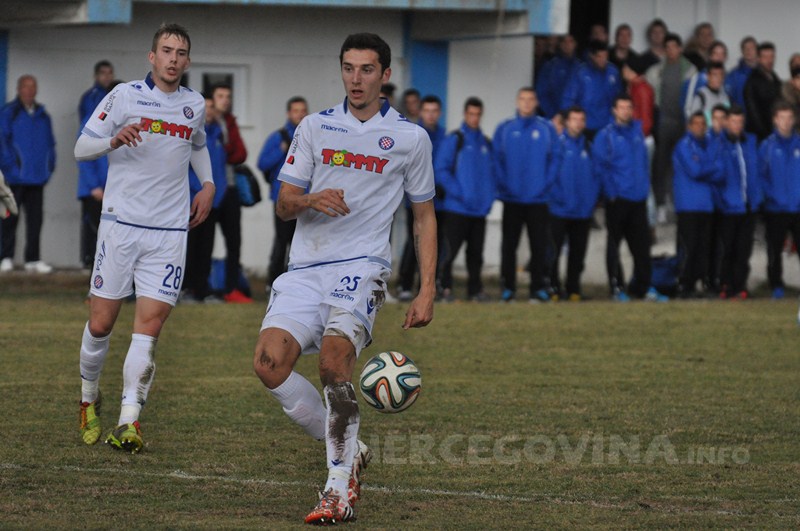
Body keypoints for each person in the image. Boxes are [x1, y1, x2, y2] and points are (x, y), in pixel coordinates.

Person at [251, 33, 436, 525]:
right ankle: (351, 451)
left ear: (385, 75)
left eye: (367, 69)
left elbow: (424, 216)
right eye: (349, 68)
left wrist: (427, 288)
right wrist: (312, 199)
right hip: (306, 267)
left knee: (335, 364)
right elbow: (285, 203)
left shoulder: (410, 138)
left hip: (361, 268)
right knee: (269, 364)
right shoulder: (314, 127)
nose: (357, 79)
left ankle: (337, 491)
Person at [73, 23, 215, 453]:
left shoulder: (195, 104)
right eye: (166, 51)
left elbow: (198, 145)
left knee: (147, 330)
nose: (173, 58)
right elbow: (82, 146)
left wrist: (207, 185)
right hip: (120, 226)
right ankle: (87, 398)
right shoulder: (124, 96)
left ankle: (128, 421)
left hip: (169, 233)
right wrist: (112, 140)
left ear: (187, 61)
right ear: (151, 57)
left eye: (181, 52)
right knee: (101, 324)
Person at [593, 95, 668, 302]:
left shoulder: (637, 132)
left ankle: (643, 287)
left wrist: (644, 190)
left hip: (638, 199)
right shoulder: (605, 135)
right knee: (614, 244)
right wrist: (612, 193)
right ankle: (617, 287)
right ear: (614, 110)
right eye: (621, 107)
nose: (625, 111)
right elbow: (600, 167)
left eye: (629, 107)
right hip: (618, 199)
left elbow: (644, 165)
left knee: (642, 247)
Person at [494, 88, 556, 302]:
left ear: (536, 102)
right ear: (517, 102)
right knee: (509, 246)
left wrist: (545, 186)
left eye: (531, 100)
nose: (527, 103)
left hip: (538, 200)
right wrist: (505, 186)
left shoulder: (546, 129)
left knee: (539, 245)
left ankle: (537, 288)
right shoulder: (505, 129)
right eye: (523, 99)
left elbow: (555, 160)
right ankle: (508, 288)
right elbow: (497, 160)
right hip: (512, 199)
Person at [437, 97, 494, 302]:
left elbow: (491, 175)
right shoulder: (455, 139)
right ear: (465, 114)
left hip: (479, 211)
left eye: (477, 114)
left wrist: (489, 200)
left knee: (476, 255)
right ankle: (443, 288)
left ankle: (475, 290)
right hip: (457, 209)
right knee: (449, 252)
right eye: (471, 114)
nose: (474, 118)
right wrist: (461, 193)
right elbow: (441, 170)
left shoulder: (486, 143)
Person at [0, 75, 56, 274]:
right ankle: (5, 257)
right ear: (18, 89)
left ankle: (32, 259)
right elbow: (3, 143)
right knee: (9, 219)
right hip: (14, 178)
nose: (30, 91)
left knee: (35, 220)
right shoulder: (9, 113)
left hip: (37, 178)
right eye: (26, 87)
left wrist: (48, 168)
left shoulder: (43, 115)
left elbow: (50, 145)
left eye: (33, 87)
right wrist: (12, 169)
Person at [397, 94, 446, 300]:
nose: (431, 115)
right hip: (415, 199)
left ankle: (427, 285)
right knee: (414, 241)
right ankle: (404, 284)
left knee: (436, 241)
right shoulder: (412, 134)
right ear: (420, 112)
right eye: (427, 110)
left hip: (440, 200)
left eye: (434, 111)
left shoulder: (445, 137)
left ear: (440, 113)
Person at [548, 106, 599, 301]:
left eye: (581, 120)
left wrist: (590, 201)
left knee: (577, 254)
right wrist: (558, 198)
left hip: (582, 211)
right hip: (559, 210)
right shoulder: (557, 146)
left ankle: (573, 289)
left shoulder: (589, 147)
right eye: (574, 119)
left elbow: (596, 177)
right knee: (554, 251)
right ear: (566, 122)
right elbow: (550, 177)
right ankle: (553, 287)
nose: (578, 123)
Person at [257, 96, 308, 288]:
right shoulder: (278, 137)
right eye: (296, 111)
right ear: (289, 113)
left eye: (303, 111)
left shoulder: (311, 136)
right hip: (282, 199)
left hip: (305, 199)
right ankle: (274, 282)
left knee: (302, 244)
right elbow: (262, 163)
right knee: (282, 241)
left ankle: (297, 283)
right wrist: (281, 150)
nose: (300, 114)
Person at [672, 111, 724, 297]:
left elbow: (721, 171)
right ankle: (684, 284)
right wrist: (711, 167)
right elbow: (695, 170)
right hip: (688, 204)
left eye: (703, 123)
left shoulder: (710, 144)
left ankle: (701, 283)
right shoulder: (684, 145)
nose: (700, 127)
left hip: (706, 204)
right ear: (689, 126)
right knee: (689, 247)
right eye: (696, 123)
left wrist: (707, 168)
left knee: (704, 247)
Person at [647, 33, 697, 220]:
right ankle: (661, 203)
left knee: (682, 164)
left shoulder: (690, 71)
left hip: (683, 123)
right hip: (663, 122)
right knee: (660, 164)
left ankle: (678, 202)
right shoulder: (657, 70)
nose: (671, 50)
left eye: (674, 47)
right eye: (667, 47)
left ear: (680, 48)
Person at [183, 94, 228, 303]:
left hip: (213, 202)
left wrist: (218, 194)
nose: (209, 111)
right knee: (190, 246)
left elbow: (221, 167)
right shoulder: (191, 133)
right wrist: (197, 190)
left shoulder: (218, 133)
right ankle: (186, 289)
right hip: (192, 199)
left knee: (206, 248)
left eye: (211, 107)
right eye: (205, 107)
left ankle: (202, 289)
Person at [210, 83, 252, 303]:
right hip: (210, 190)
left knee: (234, 241)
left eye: (228, 96)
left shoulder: (231, 122)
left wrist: (224, 151)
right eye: (220, 96)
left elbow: (240, 153)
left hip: (231, 190)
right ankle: (199, 288)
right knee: (203, 241)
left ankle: (232, 288)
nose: (225, 100)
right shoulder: (205, 121)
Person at [716, 106, 761, 299]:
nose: (737, 125)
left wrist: (758, 197)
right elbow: (715, 176)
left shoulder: (750, 142)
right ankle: (725, 284)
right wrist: (721, 201)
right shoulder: (719, 144)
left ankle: (740, 285)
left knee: (744, 249)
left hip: (748, 205)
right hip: (728, 206)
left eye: (740, 122)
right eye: (734, 121)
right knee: (727, 249)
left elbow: (757, 172)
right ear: (726, 122)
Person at [759, 101, 800, 299]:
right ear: (775, 120)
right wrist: (772, 196)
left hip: (798, 206)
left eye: (789, 118)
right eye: (781, 118)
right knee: (774, 249)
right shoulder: (767, 146)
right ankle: (776, 285)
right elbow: (761, 176)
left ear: (794, 120)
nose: (785, 122)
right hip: (776, 208)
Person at [77, 60, 115, 269]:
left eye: (110, 73)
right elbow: (84, 148)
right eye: (103, 73)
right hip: (96, 185)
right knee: (93, 226)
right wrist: (92, 185)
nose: (106, 76)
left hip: (113, 184)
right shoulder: (92, 102)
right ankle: (90, 263)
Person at [562, 39, 622, 139]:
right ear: (592, 56)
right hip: (585, 126)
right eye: (599, 56)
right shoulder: (580, 73)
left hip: (608, 125)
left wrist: (616, 120)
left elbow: (618, 98)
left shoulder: (613, 72)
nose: (603, 59)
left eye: (605, 56)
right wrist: (572, 123)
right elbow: (568, 99)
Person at [535, 34, 580, 118]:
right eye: (564, 41)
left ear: (575, 44)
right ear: (560, 44)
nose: (567, 44)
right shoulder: (549, 66)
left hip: (576, 120)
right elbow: (541, 93)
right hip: (554, 118)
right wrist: (554, 114)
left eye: (570, 41)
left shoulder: (580, 67)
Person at [745, 42, 782, 141]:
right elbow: (753, 113)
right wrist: (766, 134)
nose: (769, 60)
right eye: (765, 57)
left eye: (771, 56)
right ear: (758, 59)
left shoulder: (775, 78)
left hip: (774, 132)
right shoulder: (752, 81)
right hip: (761, 136)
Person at [726, 36, 758, 110]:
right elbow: (727, 98)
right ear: (742, 51)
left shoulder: (763, 74)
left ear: (757, 50)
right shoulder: (733, 75)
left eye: (751, 48)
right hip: (739, 118)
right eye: (745, 48)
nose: (748, 51)